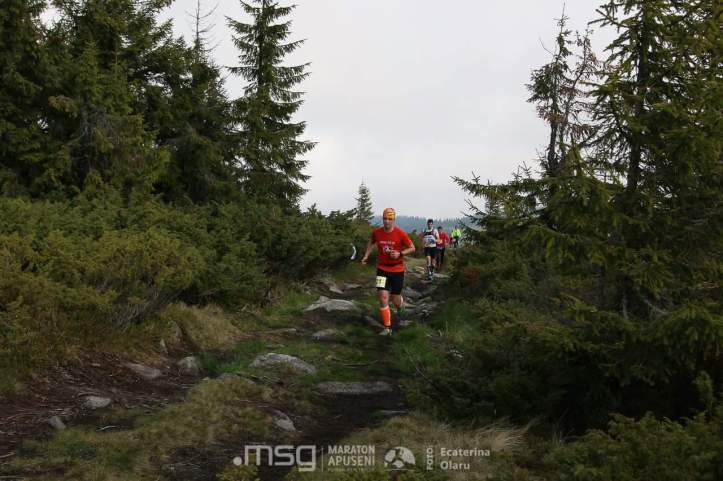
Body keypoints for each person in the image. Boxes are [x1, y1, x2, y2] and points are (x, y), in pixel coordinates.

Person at [361, 208, 416, 335]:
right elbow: (371, 243)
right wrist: (366, 256)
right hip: (382, 269)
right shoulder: (377, 233)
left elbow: (412, 248)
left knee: (395, 299)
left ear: (394, 220)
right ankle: (387, 327)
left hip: (397, 270)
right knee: (383, 297)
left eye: (390, 219)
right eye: (385, 218)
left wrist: (399, 253)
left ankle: (400, 305)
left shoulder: (400, 233)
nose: (387, 221)